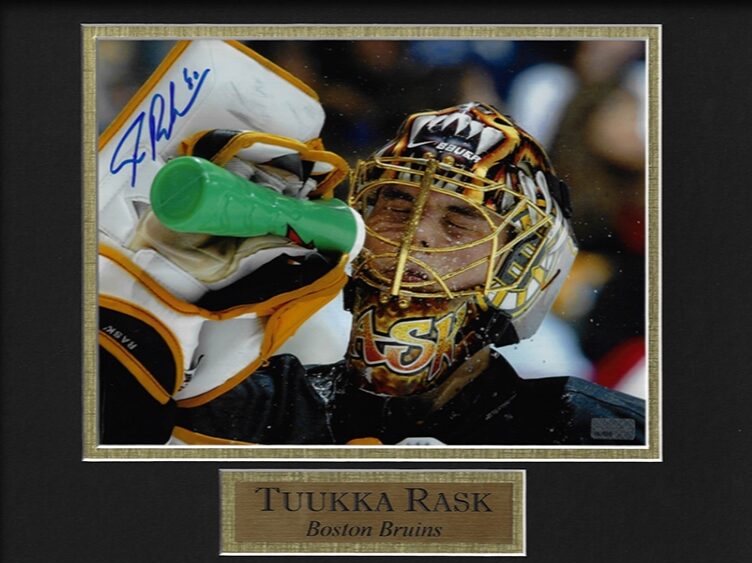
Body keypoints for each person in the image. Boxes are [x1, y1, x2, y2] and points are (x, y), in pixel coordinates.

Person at [100, 101, 645, 446]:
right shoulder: (244, 405)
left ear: (520, 262)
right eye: (398, 205)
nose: (417, 236)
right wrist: (158, 303)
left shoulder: (595, 430)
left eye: (459, 219)